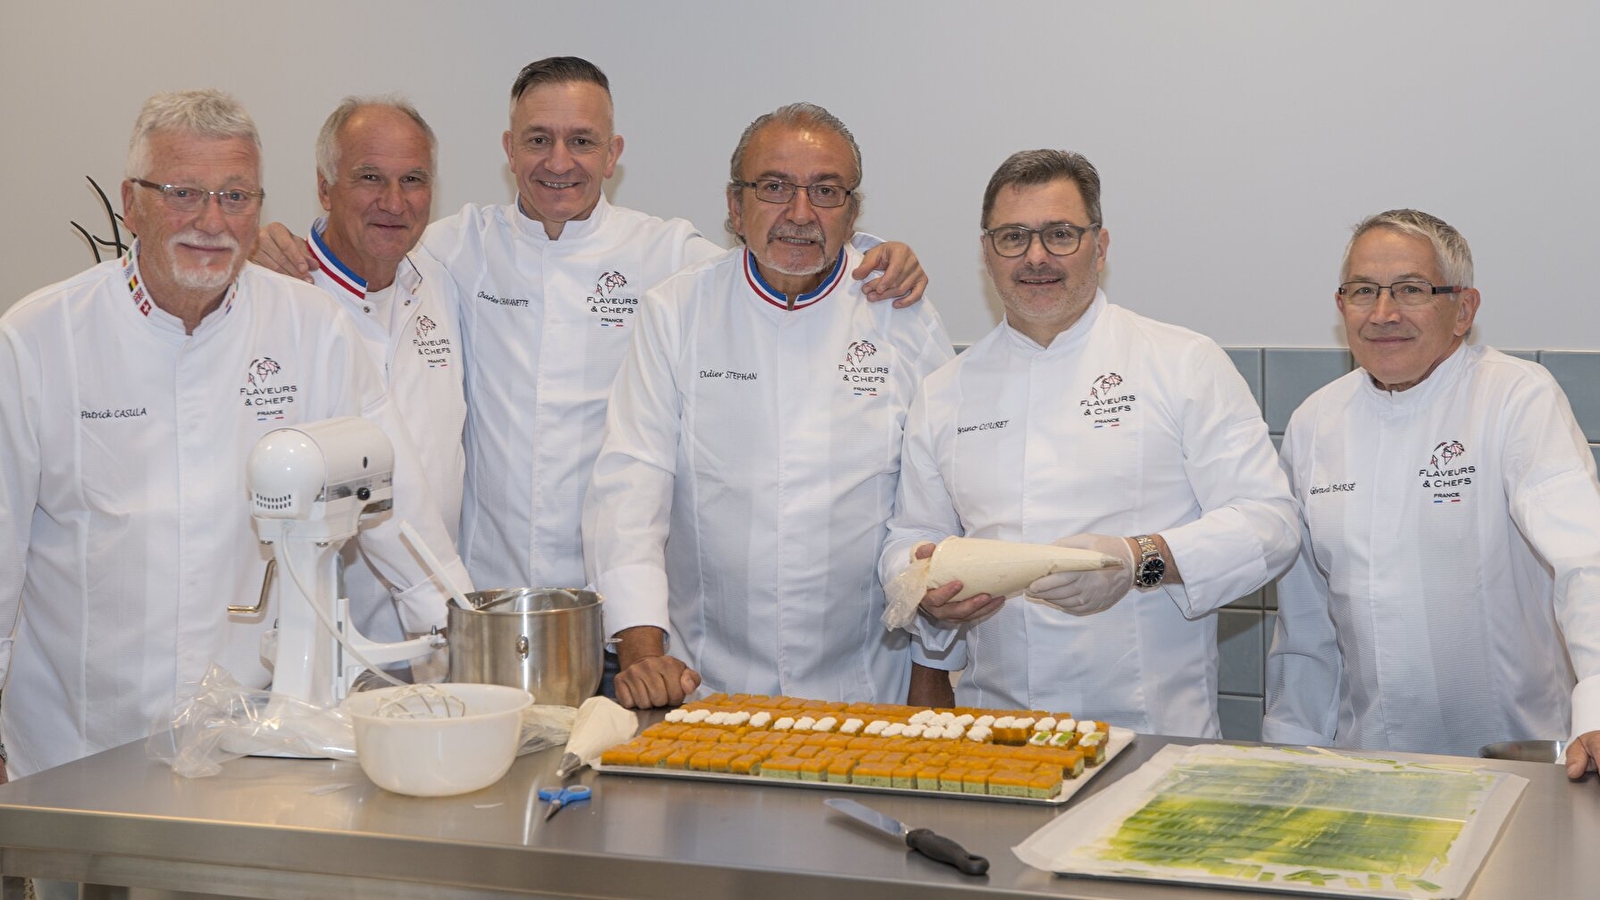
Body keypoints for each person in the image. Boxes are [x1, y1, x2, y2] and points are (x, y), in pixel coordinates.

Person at [253, 57, 929, 596]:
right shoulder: (453, 248)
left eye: (582, 141)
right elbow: (365, 244)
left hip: (616, 600)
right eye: (538, 140)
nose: (559, 161)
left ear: (614, 154)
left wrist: (874, 251)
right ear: (508, 150)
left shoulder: (665, 254)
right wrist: (279, 248)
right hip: (487, 595)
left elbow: (780, 249)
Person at [0, 90, 469, 783]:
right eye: (184, 193)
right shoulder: (39, 340)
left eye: (236, 196)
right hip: (78, 746)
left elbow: (399, 508)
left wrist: (469, 641)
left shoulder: (312, 329)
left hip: (254, 744)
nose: (211, 221)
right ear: (132, 203)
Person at [881, 150, 1298, 737]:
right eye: (1012, 237)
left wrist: (1137, 561)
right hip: (1000, 735)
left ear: (1099, 248)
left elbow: (1271, 524)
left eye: (1060, 234)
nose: (1036, 256)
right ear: (986, 254)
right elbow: (910, 536)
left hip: (1153, 735)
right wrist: (922, 588)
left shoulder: (1181, 363)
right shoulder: (946, 391)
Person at [583, 103, 954, 709]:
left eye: (826, 191)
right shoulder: (676, 313)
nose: (800, 213)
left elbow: (940, 505)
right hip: (703, 689)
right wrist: (644, 658)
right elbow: (630, 492)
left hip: (866, 693)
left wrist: (931, 678)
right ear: (735, 206)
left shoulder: (901, 316)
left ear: (853, 211)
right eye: (775, 187)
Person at [1263, 209, 1600, 775]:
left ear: (1463, 309)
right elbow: (1306, 618)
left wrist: (1596, 699)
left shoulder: (1516, 397)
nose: (1383, 313)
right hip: (1366, 764)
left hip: (1515, 758)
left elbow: (1585, 558)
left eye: (1412, 290)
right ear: (1340, 306)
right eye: (1363, 291)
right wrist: (1292, 749)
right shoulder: (1316, 420)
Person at [302, 97, 466, 652]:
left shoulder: (440, 285)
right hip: (324, 643)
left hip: (435, 641)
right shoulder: (284, 299)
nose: (394, 202)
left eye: (413, 179)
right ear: (325, 188)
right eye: (369, 177)